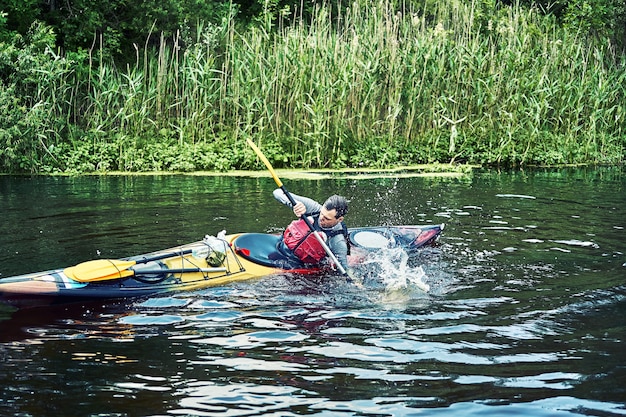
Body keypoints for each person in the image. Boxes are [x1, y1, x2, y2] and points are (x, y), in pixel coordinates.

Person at [273, 189, 350, 272]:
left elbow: (343, 268)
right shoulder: (313, 208)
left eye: (327, 218)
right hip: (281, 247)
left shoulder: (337, 240)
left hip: (302, 264)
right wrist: (296, 204)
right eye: (322, 214)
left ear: (340, 219)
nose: (321, 218)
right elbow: (277, 192)